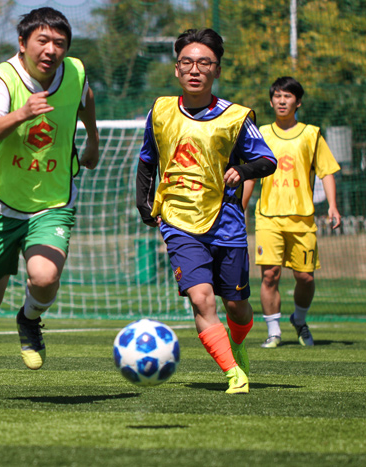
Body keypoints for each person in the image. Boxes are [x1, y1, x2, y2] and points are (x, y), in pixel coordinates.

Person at [0, 7, 99, 401]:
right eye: (42, 41)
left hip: (53, 201)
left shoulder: (75, 71)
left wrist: (93, 140)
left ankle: (29, 319)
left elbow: (86, 97)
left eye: (60, 43)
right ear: (23, 43)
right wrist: (23, 113)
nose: (51, 50)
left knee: (45, 277)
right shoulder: (1, 79)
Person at [136, 28, 276, 394]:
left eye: (204, 62)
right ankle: (233, 373)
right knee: (201, 298)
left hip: (226, 224)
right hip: (178, 221)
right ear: (177, 69)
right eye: (187, 62)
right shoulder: (161, 111)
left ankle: (238, 344)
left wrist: (243, 170)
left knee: (237, 305)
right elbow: (147, 160)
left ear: (217, 69)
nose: (195, 69)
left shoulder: (236, 117)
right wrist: (145, 204)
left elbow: (267, 160)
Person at [244, 77, 341, 348]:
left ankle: (299, 319)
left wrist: (333, 206)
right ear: (271, 101)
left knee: (305, 277)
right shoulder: (261, 134)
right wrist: (241, 207)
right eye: (277, 96)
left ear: (297, 102)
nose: (281, 101)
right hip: (268, 217)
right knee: (270, 275)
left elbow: (327, 171)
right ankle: (273, 331)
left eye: (287, 96)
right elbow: (250, 174)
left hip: (302, 219)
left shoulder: (311, 134)